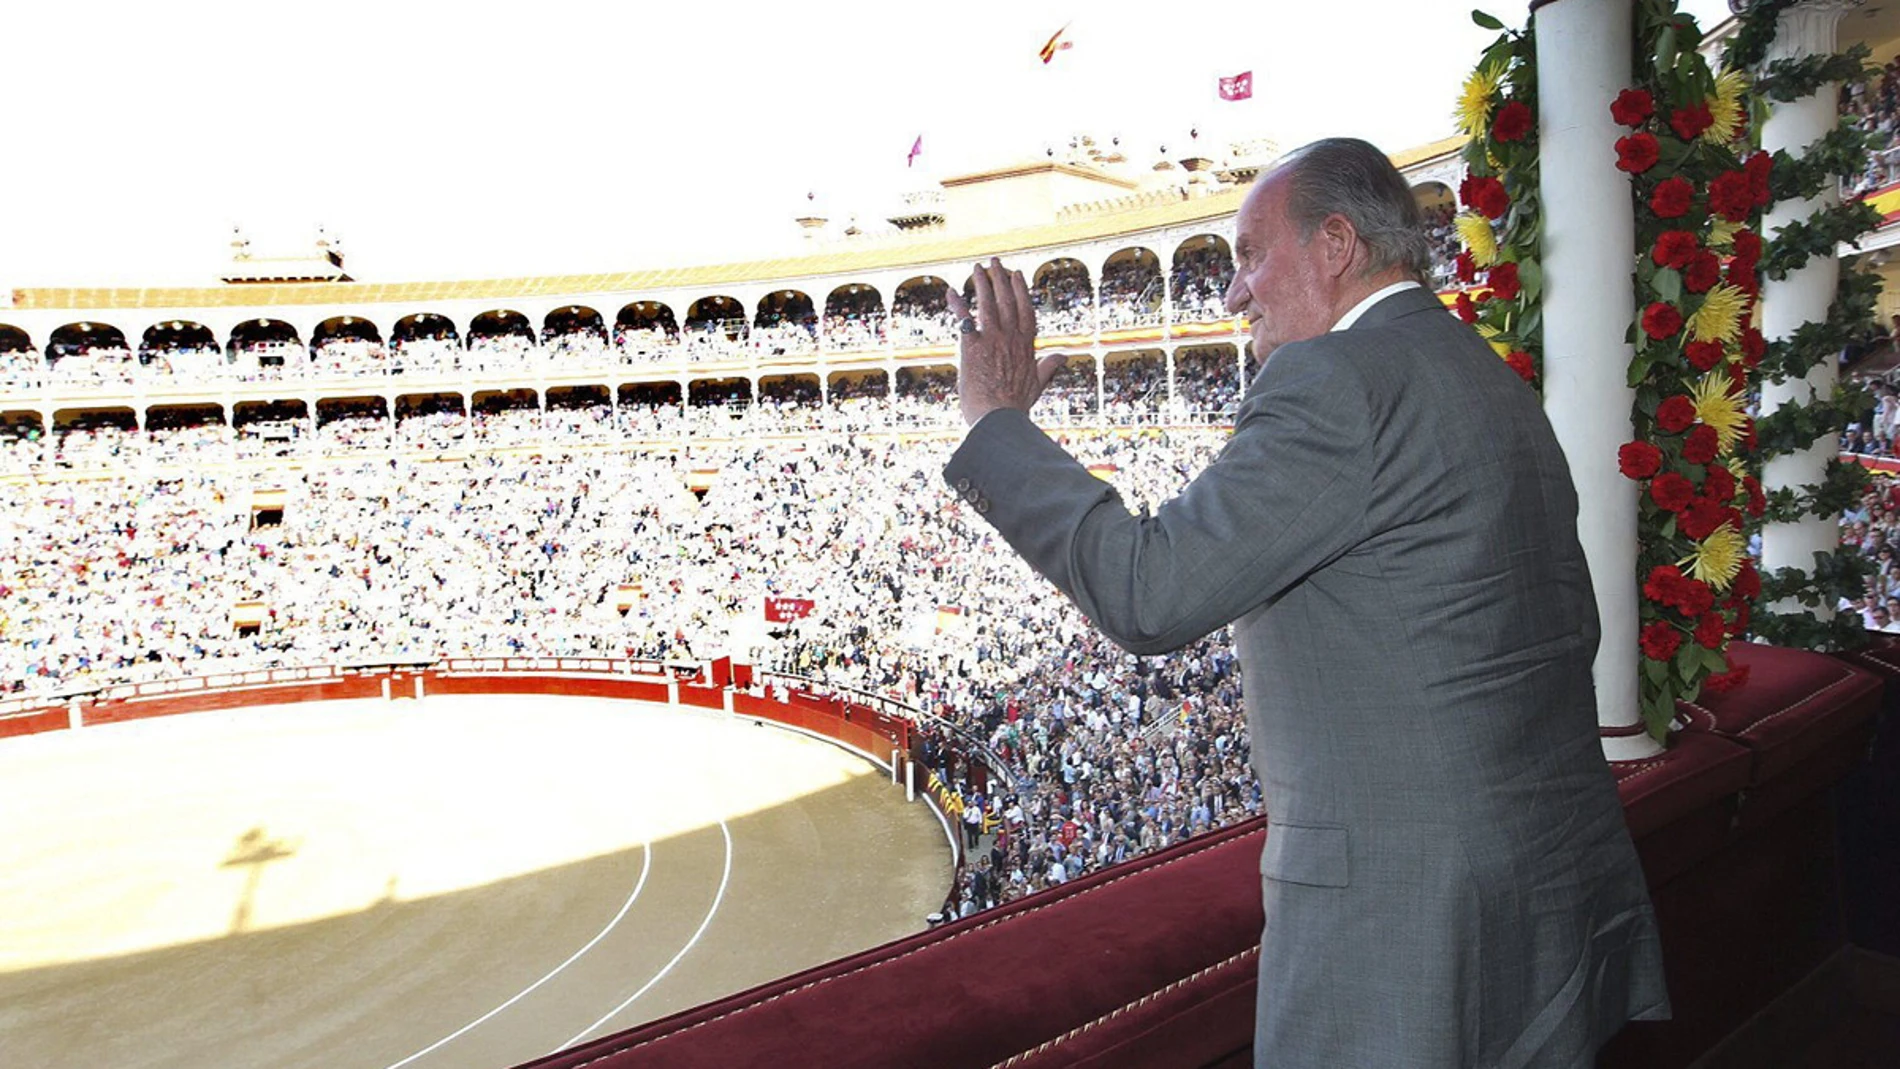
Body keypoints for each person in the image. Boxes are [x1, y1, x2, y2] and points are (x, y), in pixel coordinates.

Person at [942, 138, 1668, 1066]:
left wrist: (997, 427)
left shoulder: (1335, 379)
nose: (1234, 293)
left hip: (1404, 907)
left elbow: (1149, 591)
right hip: (1545, 867)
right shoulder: (1487, 375)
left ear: (1335, 245)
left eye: (1249, 255)